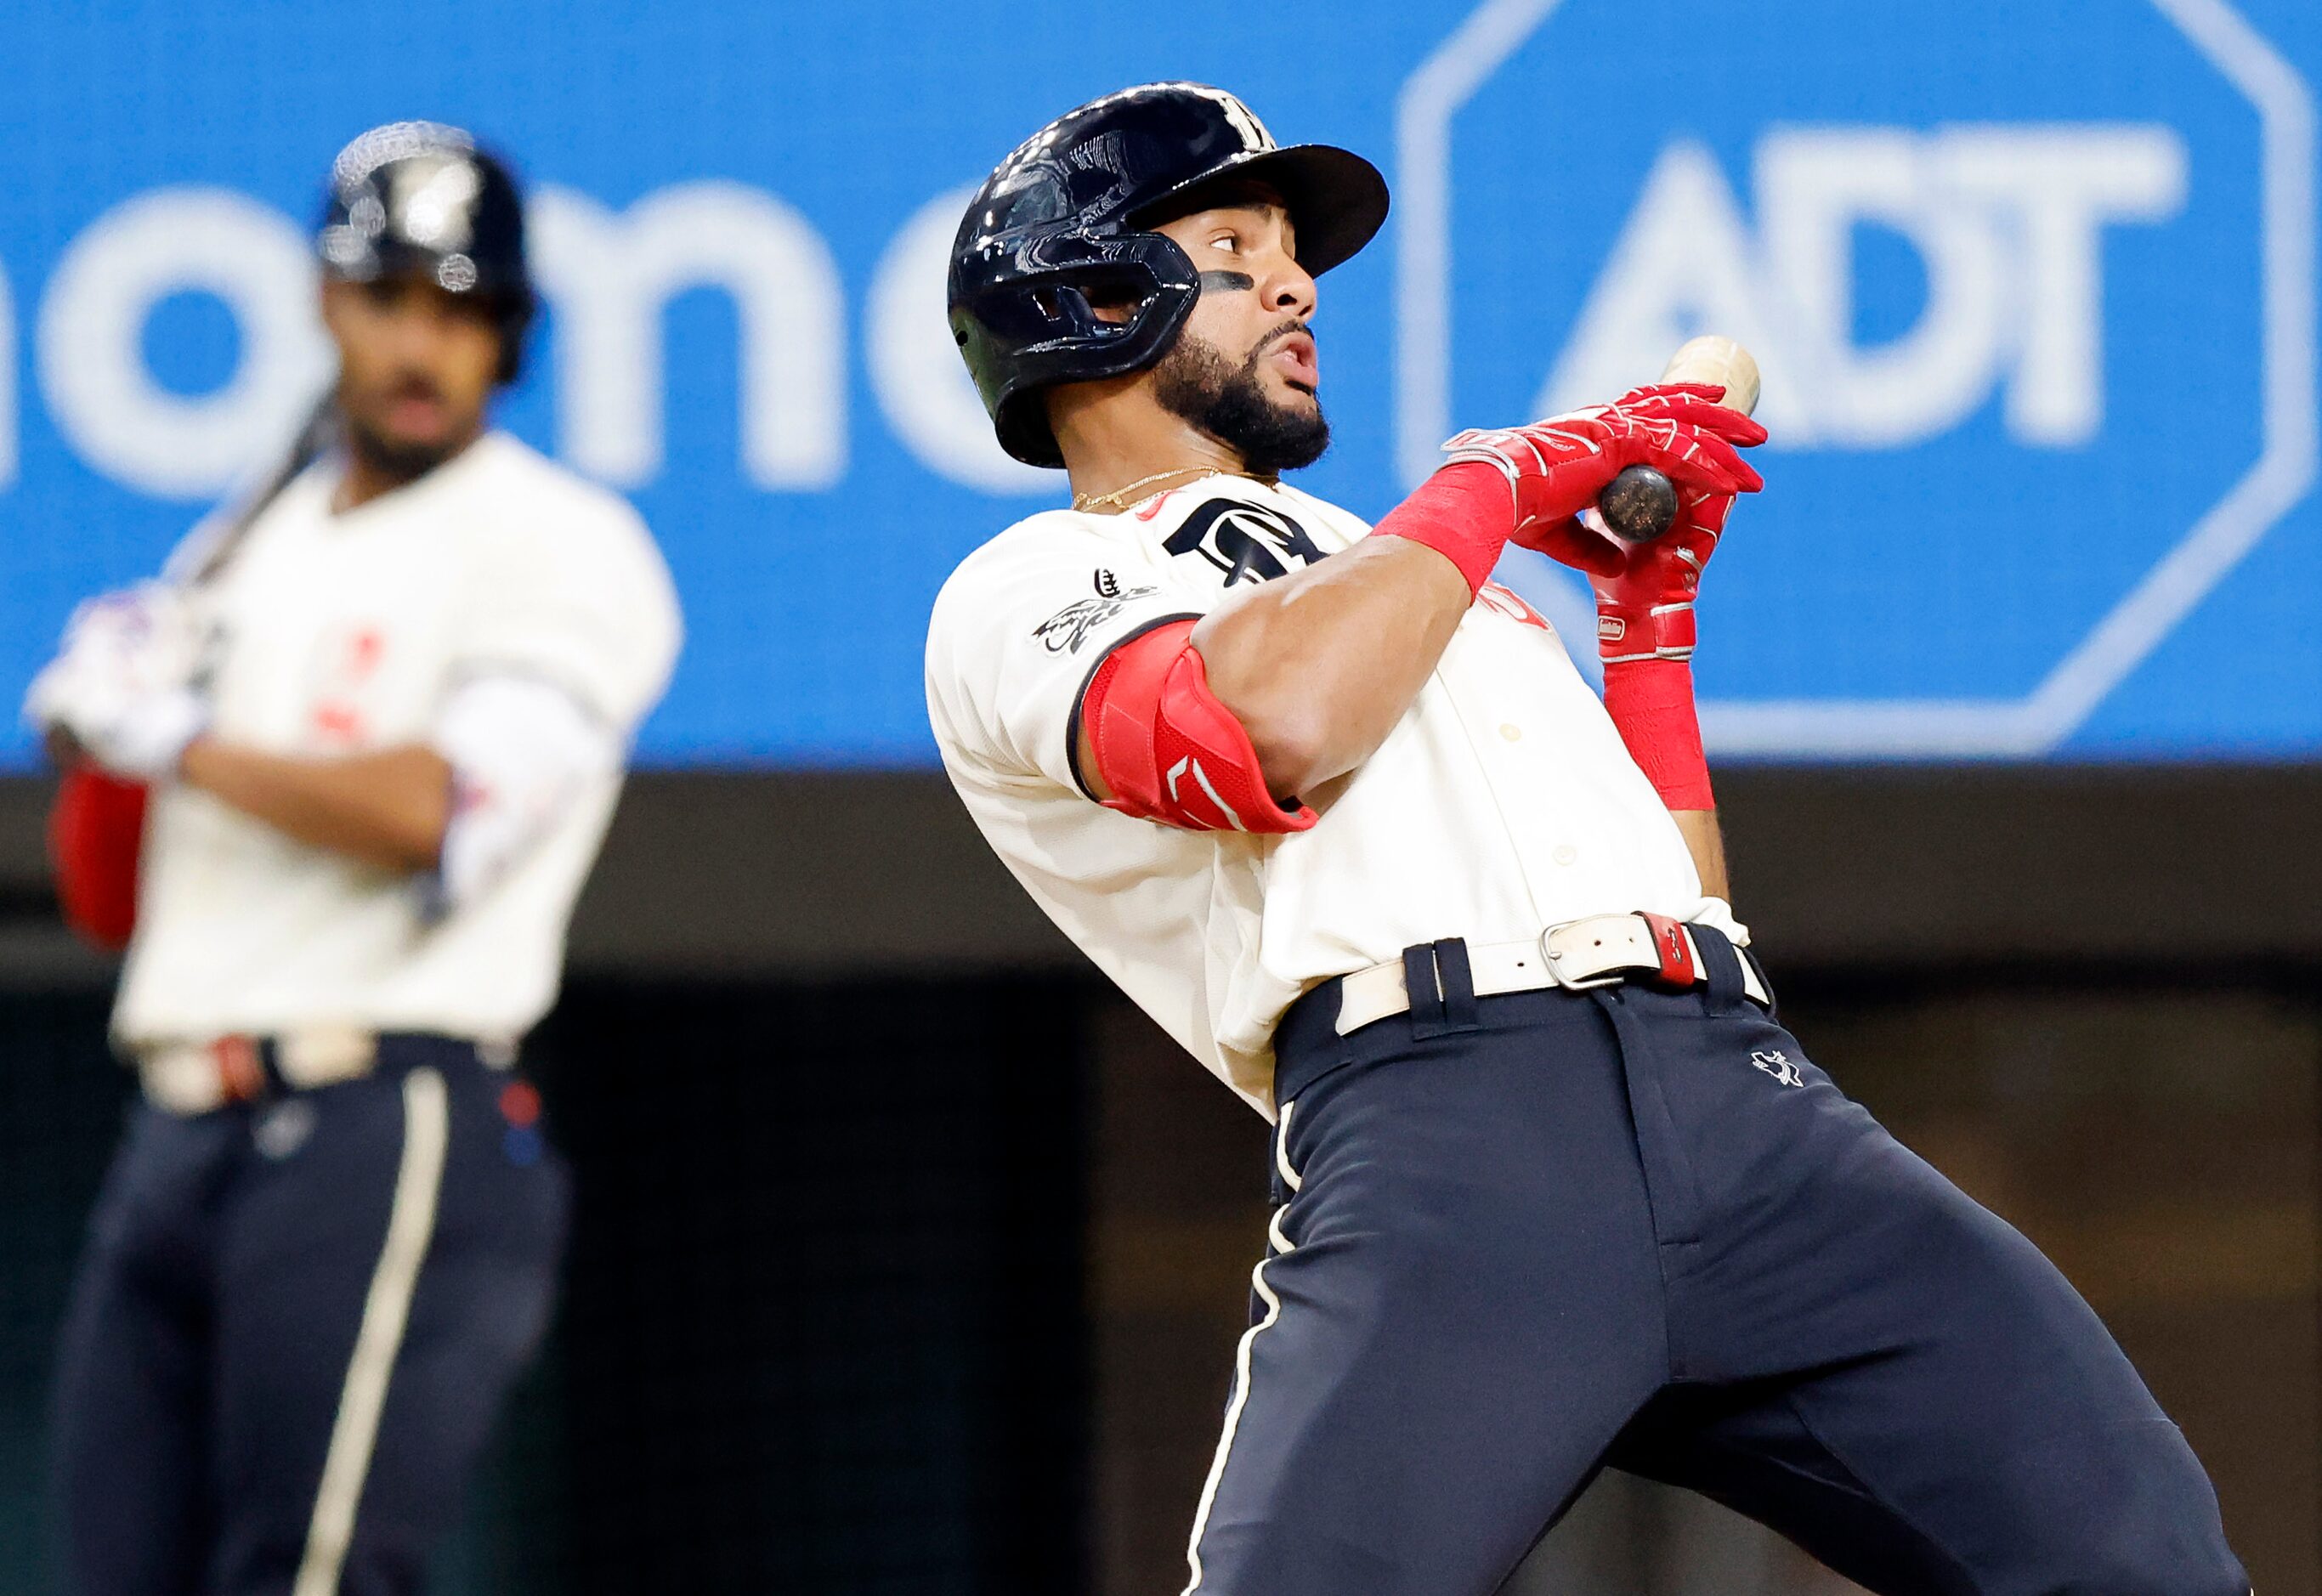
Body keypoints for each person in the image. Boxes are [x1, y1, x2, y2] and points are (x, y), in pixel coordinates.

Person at [924, 82, 2245, 1596]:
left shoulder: (1401, 567)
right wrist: (1504, 472)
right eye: (1238, 245)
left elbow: (1680, 908)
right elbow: (1274, 725)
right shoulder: (1032, 583)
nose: (1298, 286)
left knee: (2145, 1556)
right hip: (1453, 1140)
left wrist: (1648, 631)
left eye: (1297, 254)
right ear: (1089, 296)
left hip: (1746, 1108)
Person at [25, 121, 682, 1596]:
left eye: (460, 311)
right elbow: (109, 894)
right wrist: (106, 741)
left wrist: (174, 735)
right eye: (391, 297)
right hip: (179, 1116)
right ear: (329, 303)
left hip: (387, 1110)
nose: (419, 346)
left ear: (509, 337)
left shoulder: (565, 542)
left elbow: (437, 811)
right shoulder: (248, 543)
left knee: (310, 1575)